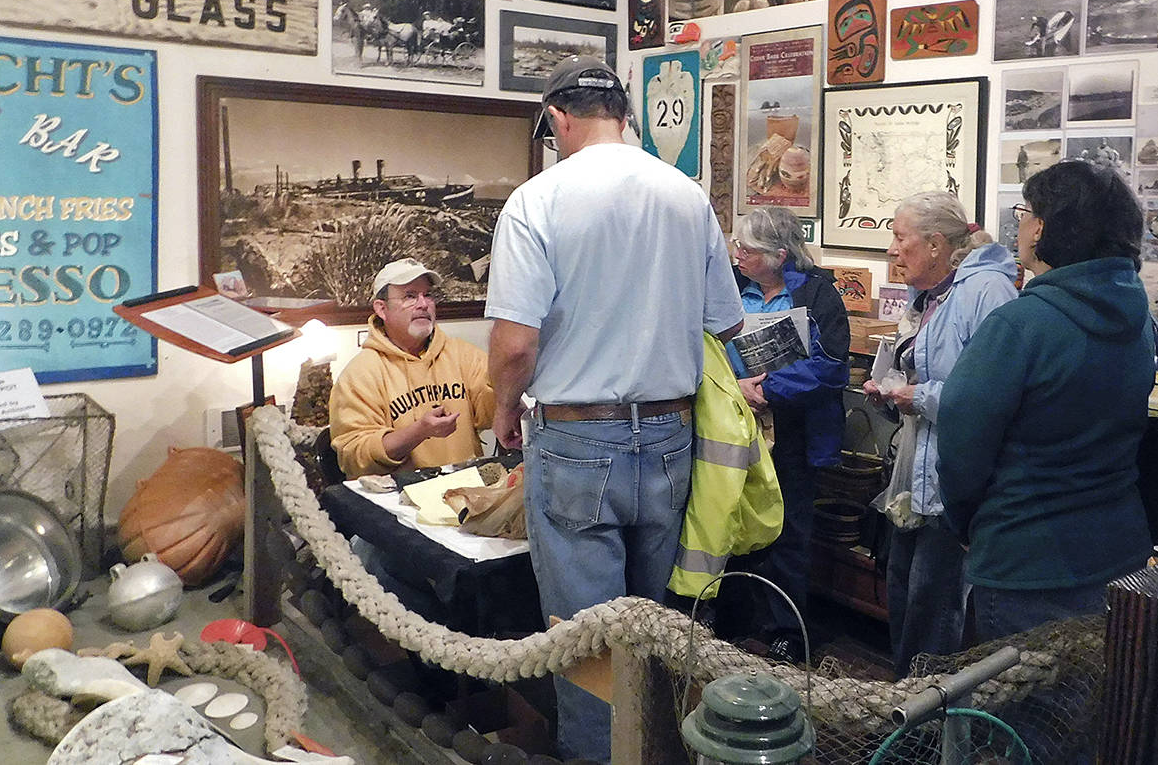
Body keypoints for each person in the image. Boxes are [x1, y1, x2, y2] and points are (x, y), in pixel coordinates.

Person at [485, 55, 743, 763]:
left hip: (575, 438)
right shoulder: (687, 196)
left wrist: (504, 409)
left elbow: (513, 345)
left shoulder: (538, 200)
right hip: (669, 435)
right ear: (626, 116)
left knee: (589, 644)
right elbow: (727, 321)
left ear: (558, 118)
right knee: (659, 632)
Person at [938, 162, 1153, 641]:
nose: (1020, 225)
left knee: (1014, 711)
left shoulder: (1020, 325)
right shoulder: (1138, 315)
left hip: (1025, 558)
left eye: (1025, 212)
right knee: (1092, 707)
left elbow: (960, 447)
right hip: (1118, 552)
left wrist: (967, 521)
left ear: (1046, 228)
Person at [862, 192, 1016, 677]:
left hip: (953, 489)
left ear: (933, 245)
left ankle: (928, 738)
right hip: (916, 481)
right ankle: (904, 721)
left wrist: (920, 397)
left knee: (934, 619)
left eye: (899, 236)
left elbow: (995, 397)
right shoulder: (930, 295)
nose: (891, 249)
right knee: (906, 602)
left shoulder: (987, 293)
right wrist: (890, 393)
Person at [712, 207, 850, 664]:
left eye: (747, 249)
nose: (738, 256)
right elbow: (706, 345)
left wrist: (770, 387)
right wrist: (737, 386)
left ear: (780, 255)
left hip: (795, 433)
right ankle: (732, 619)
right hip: (735, 424)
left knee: (789, 535)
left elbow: (832, 368)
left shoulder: (819, 295)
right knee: (729, 523)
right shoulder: (731, 289)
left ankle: (786, 630)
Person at [329, 258, 495, 480]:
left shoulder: (462, 354)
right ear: (382, 309)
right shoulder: (359, 374)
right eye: (410, 296)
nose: (423, 304)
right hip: (397, 503)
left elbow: (492, 411)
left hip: (467, 492)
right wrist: (420, 432)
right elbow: (354, 458)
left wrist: (507, 385)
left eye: (428, 295)